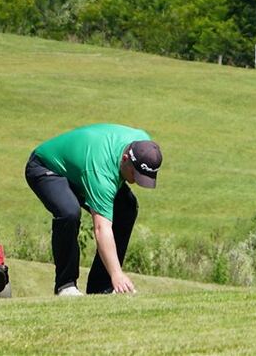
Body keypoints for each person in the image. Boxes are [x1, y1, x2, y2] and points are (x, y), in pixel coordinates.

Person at [25, 123, 163, 296]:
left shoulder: (144, 143)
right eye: (135, 174)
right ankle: (65, 285)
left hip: (81, 166)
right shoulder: (101, 174)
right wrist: (117, 273)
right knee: (69, 212)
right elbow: (101, 228)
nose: (136, 181)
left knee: (126, 208)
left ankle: (101, 288)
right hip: (45, 167)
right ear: (126, 159)